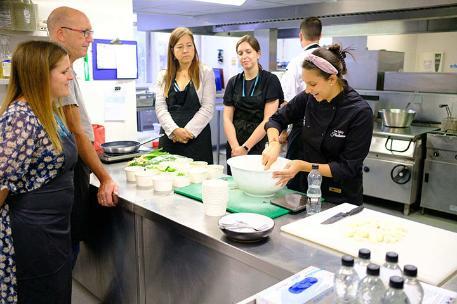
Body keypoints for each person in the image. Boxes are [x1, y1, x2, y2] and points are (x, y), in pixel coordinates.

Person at [0, 40, 76, 303]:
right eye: (64, 71)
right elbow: (2, 182)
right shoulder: (21, 116)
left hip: (53, 229)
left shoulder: (48, 111)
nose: (71, 76)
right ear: (41, 74)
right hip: (33, 233)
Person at [47, 6, 118, 265]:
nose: (90, 39)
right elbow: (76, 132)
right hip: (72, 168)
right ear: (61, 34)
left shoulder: (68, 71)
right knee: (68, 251)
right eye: (84, 32)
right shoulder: (57, 73)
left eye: (91, 32)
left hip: (77, 163)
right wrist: (105, 177)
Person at [262, 44, 373, 205]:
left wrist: (302, 165)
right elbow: (276, 119)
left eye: (312, 84)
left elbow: (347, 168)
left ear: (332, 79)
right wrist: (273, 143)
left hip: (339, 197)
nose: (307, 90)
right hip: (304, 190)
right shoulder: (309, 98)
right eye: (305, 83)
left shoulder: (359, 112)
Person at [223, 35, 283, 173]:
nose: (244, 56)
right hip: (234, 144)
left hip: (259, 144)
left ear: (258, 53)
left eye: (248, 52)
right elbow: (227, 118)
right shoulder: (233, 82)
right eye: (240, 53)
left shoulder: (270, 80)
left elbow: (268, 120)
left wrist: (245, 148)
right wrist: (235, 147)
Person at [154, 27, 215, 163]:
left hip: (196, 138)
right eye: (180, 47)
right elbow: (160, 108)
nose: (185, 50)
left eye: (189, 45)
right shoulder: (163, 76)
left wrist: (187, 132)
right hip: (170, 137)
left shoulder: (205, 72)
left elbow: (208, 108)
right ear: (172, 50)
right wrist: (174, 131)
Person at [279, 17, 322, 190]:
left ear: (300, 35)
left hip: (301, 128)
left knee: (297, 182)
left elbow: (287, 100)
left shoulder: (298, 61)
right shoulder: (331, 58)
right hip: (325, 129)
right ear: (321, 35)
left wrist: (283, 132)